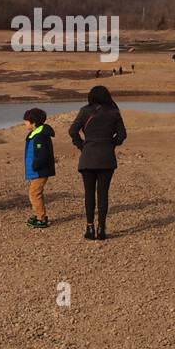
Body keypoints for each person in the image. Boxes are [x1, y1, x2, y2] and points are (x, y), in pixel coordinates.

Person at [68, 85, 127, 241]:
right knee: (103, 194)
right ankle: (101, 228)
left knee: (89, 193)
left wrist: (81, 145)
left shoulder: (85, 111)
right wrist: (110, 144)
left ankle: (89, 227)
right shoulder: (114, 112)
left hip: (88, 157)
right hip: (106, 158)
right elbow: (122, 135)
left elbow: (72, 131)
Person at [22, 108, 56, 228]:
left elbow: (42, 155)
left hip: (40, 171)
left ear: (33, 122)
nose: (24, 123)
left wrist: (36, 166)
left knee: (34, 193)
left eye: (26, 121)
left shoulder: (40, 136)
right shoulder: (34, 134)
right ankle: (39, 215)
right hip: (36, 171)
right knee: (34, 193)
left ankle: (41, 218)